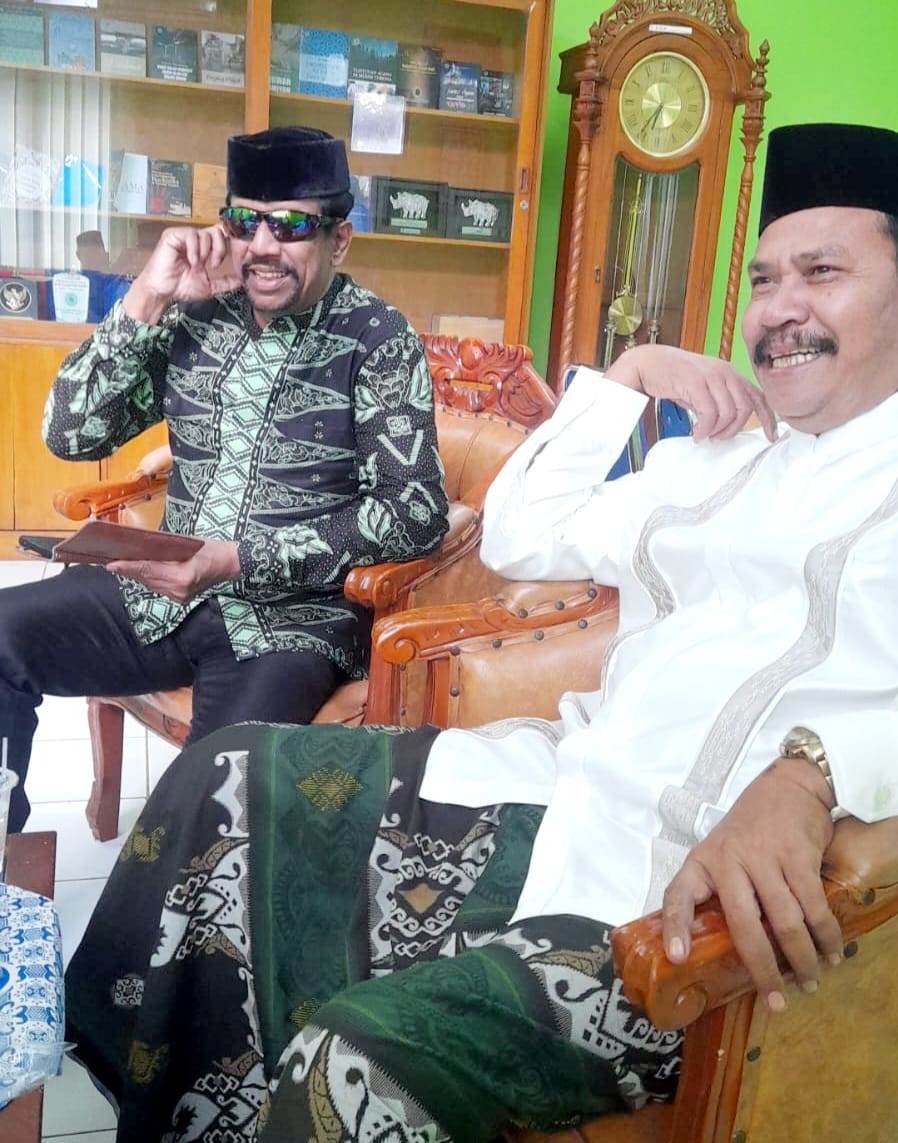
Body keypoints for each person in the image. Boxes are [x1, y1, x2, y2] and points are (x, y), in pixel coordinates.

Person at [64, 122, 898, 1142]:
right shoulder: (721, 459)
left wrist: (813, 769)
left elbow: (411, 511)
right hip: (564, 793)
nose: (779, 309)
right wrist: (627, 376)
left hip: (684, 908)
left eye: (822, 272)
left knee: (353, 1066)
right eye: (764, 281)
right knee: (223, 774)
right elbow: (518, 531)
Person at [0, 126, 448, 830]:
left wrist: (241, 558)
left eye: (290, 225)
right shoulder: (196, 314)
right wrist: (149, 298)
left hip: (291, 623)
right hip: (155, 597)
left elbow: (415, 509)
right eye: (244, 220)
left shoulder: (378, 338)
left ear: (339, 240)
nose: (262, 245)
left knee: (205, 810)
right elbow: (71, 432)